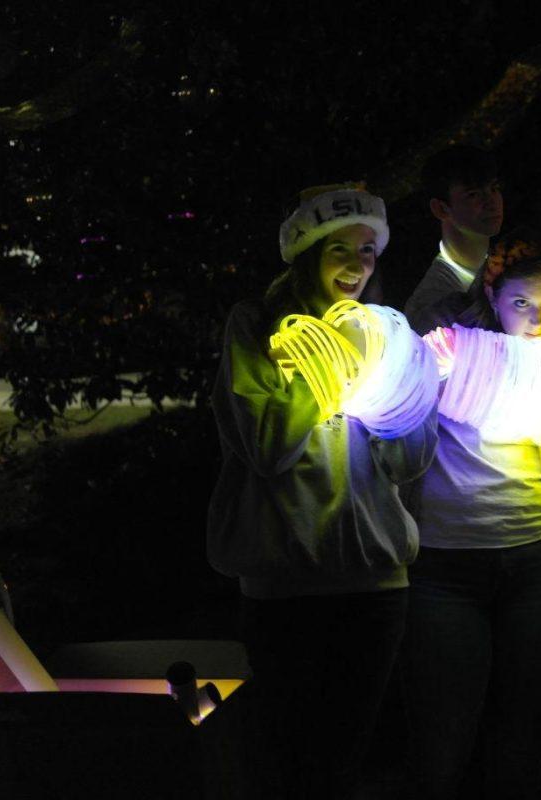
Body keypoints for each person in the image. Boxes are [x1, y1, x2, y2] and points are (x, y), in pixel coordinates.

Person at [207, 183, 438, 799]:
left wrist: (397, 386)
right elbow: (268, 446)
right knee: (289, 760)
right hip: (285, 586)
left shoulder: (387, 338)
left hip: (374, 584)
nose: (359, 264)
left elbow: (411, 459)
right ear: (307, 252)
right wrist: (333, 364)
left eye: (368, 249)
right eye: (341, 248)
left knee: (346, 758)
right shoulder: (255, 327)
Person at [402, 232, 541, 799]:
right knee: (447, 723)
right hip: (445, 563)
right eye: (522, 301)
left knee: (523, 724)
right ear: (493, 295)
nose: (537, 316)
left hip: (538, 561)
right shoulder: (448, 349)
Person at [404, 144, 504, 332]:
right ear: (441, 209)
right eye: (473, 195)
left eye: (494, 188)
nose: (491, 202)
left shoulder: (507, 268)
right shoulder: (431, 303)